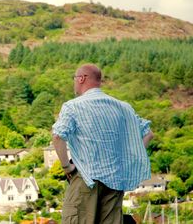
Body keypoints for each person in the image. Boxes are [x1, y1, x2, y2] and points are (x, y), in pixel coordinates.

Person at [52, 64, 154, 224]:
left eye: (74, 79)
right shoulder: (123, 107)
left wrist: (67, 167)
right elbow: (148, 134)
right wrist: (127, 162)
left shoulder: (73, 106)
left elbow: (58, 136)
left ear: (81, 78)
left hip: (86, 178)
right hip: (115, 181)